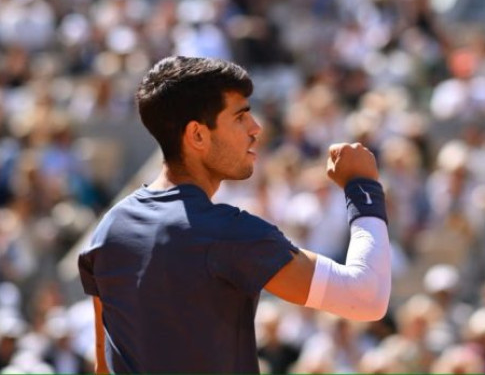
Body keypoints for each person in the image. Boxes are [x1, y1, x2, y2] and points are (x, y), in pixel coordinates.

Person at [78, 56, 391, 374]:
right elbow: (367, 298)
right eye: (240, 117)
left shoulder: (108, 228)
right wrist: (362, 189)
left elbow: (104, 368)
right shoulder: (226, 232)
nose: (256, 129)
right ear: (197, 135)